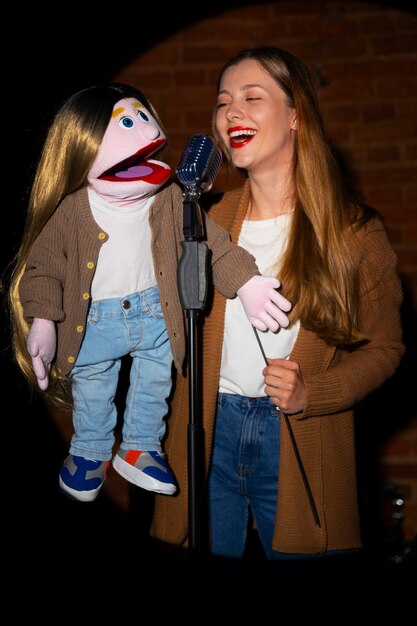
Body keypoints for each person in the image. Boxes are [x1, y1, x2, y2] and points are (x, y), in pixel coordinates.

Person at [150, 46, 404, 581]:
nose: (230, 113)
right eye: (223, 102)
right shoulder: (203, 221)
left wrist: (317, 392)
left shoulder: (354, 233)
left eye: (251, 97)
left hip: (297, 442)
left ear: (295, 116)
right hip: (205, 428)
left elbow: (387, 349)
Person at [8, 82, 292, 504]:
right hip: (94, 323)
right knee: (95, 388)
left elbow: (211, 242)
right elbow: (43, 269)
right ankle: (89, 453)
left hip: (155, 316)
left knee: (155, 381)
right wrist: (45, 321)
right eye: (126, 122)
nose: (142, 129)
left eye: (143, 117)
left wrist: (246, 283)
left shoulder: (168, 198)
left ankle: (140, 446)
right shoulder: (72, 211)